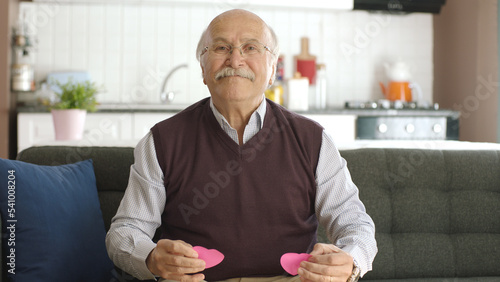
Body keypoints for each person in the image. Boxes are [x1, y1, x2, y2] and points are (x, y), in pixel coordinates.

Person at [106, 9, 377, 282]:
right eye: (222, 47)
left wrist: (351, 262)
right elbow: (125, 231)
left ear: (272, 70)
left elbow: (355, 225)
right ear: (203, 67)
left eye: (250, 48)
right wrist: (152, 259)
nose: (235, 60)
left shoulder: (313, 140)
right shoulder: (162, 141)